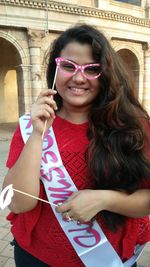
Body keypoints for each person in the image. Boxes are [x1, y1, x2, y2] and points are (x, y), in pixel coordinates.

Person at [2, 24, 150, 267]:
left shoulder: (133, 127)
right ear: (54, 70)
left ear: (105, 74)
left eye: (92, 69)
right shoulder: (33, 124)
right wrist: (38, 134)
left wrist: (105, 199)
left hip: (107, 259)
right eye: (69, 66)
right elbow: (18, 202)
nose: (79, 78)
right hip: (36, 258)